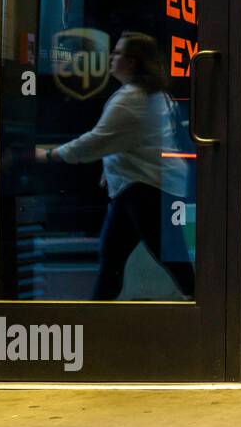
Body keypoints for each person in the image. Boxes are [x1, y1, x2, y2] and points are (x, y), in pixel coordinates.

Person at [36, 32, 195, 301]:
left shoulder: (130, 99)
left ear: (133, 62)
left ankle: (211, 309)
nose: (111, 57)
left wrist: (51, 155)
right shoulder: (155, 95)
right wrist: (110, 170)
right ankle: (97, 319)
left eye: (118, 53)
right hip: (142, 185)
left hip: (145, 188)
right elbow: (136, 141)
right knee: (113, 256)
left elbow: (97, 141)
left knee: (166, 260)